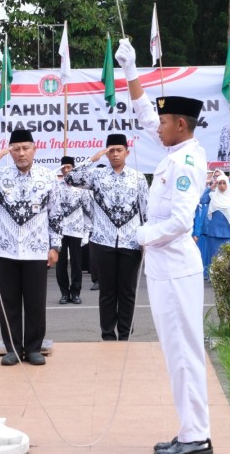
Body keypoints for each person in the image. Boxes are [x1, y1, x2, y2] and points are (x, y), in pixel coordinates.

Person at [115, 38, 213, 454]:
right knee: (176, 354)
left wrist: (140, 235)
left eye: (164, 121)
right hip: (163, 267)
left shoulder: (188, 162)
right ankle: (190, 430)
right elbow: (141, 115)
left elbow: (180, 221)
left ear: (181, 125)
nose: (157, 126)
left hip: (175, 266)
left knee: (184, 352)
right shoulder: (175, 150)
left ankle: (196, 437)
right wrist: (130, 70)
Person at [0, 129, 61, 366]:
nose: (21, 153)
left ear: (35, 148)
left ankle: (33, 347)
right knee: (9, 302)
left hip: (36, 250)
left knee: (35, 301)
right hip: (5, 249)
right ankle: (12, 348)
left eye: (25, 148)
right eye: (15, 149)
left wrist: (55, 247)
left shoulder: (48, 178)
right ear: (10, 151)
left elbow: (55, 215)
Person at [64, 134, 149, 341]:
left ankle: (125, 332)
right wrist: (93, 159)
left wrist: (146, 239)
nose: (115, 154)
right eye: (111, 150)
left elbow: (146, 211)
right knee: (107, 291)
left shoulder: (138, 178)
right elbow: (70, 178)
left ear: (127, 152)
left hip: (130, 242)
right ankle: (108, 334)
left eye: (119, 150)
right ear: (106, 152)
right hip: (103, 241)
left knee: (127, 291)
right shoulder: (97, 176)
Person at [55, 156, 92, 305]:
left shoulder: (81, 188)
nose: (66, 170)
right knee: (61, 264)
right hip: (60, 231)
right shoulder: (56, 186)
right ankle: (64, 293)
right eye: (63, 167)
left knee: (77, 264)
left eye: (69, 167)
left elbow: (88, 210)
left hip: (77, 230)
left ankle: (75, 292)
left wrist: (87, 231)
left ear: (74, 168)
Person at [196, 174, 230, 277]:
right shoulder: (213, 196)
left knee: (226, 258)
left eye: (224, 183)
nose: (222, 185)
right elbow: (202, 200)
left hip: (228, 234)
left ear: (228, 185)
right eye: (220, 183)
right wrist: (211, 187)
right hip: (214, 233)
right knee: (214, 257)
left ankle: (224, 279)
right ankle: (214, 278)